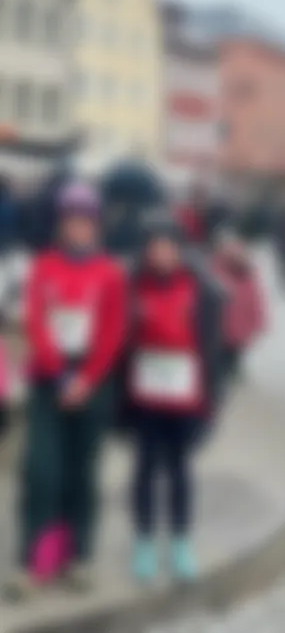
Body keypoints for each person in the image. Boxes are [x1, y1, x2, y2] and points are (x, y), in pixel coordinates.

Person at [9, 183, 127, 598]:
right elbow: (35, 321)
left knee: (83, 472)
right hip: (49, 379)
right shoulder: (44, 266)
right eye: (70, 220)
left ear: (95, 225)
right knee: (42, 471)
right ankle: (33, 559)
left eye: (85, 221)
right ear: (61, 224)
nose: (78, 228)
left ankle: (78, 556)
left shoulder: (110, 272)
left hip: (92, 381)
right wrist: (59, 375)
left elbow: (113, 332)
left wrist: (87, 379)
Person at [124, 218, 226, 584]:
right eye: (155, 247)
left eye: (168, 247)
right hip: (145, 399)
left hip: (185, 399)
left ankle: (181, 541)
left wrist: (209, 399)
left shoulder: (199, 288)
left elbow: (211, 349)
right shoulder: (133, 286)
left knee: (180, 470)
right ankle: (145, 541)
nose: (162, 254)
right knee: (145, 470)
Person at [211, 226, 265, 382]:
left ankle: (233, 371)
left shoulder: (248, 274)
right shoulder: (215, 270)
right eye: (229, 248)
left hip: (240, 330)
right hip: (220, 329)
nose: (234, 253)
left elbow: (256, 300)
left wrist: (257, 322)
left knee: (234, 356)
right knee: (221, 360)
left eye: (237, 249)